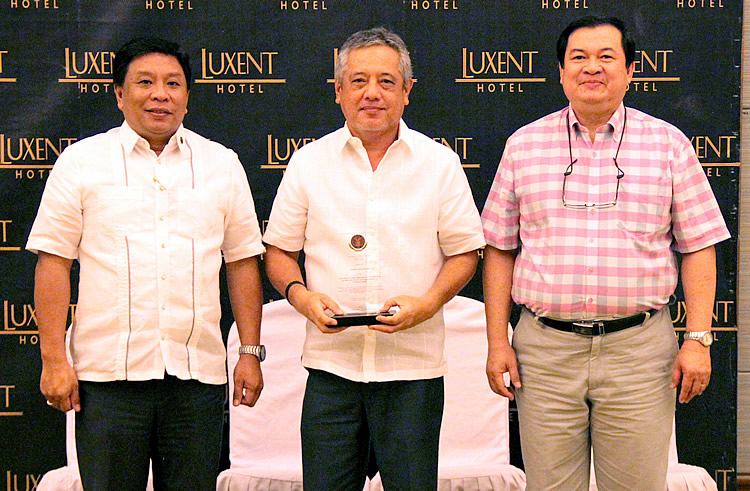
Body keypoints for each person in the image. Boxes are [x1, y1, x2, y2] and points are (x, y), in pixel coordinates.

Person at [481, 15, 730, 491]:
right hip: (545, 352)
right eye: (578, 57)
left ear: (631, 70)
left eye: (606, 57)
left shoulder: (668, 144)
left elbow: (699, 245)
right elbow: (498, 249)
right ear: (560, 72)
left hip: (639, 352)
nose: (591, 68)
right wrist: (497, 341)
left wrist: (698, 338)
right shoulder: (523, 145)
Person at [27, 37, 266, 490]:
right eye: (145, 82)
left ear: (187, 95)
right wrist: (54, 359)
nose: (161, 94)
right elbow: (54, 262)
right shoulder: (81, 163)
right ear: (119, 93)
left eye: (173, 83)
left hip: (196, 379)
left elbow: (241, 263)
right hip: (107, 380)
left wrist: (249, 354)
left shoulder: (222, 165)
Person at [263, 27, 485, 490]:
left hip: (413, 372)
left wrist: (427, 305)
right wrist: (301, 297)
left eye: (386, 82)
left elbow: (466, 252)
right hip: (331, 369)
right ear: (339, 91)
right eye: (359, 81)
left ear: (407, 91)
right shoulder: (309, 162)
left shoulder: (438, 163)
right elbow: (279, 252)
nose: (372, 94)